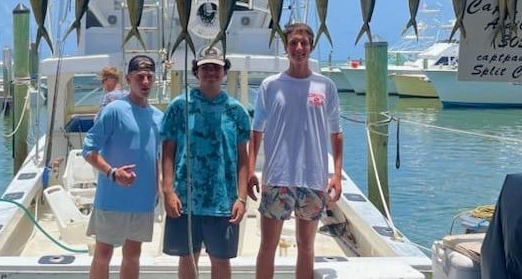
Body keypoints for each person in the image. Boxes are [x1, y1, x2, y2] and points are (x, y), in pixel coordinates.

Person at [248, 23, 344, 279]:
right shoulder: (270, 85)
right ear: (286, 47)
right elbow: (256, 131)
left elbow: (336, 133)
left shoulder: (326, 86)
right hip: (277, 178)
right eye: (293, 43)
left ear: (311, 47)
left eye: (304, 43)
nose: (298, 48)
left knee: (306, 247)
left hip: (313, 179)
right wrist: (249, 170)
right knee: (267, 246)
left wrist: (336, 174)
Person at [161, 46, 250, 279]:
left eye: (216, 68)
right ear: (196, 72)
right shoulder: (179, 107)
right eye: (205, 68)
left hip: (223, 201)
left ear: (224, 72)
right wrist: (168, 190)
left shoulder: (237, 111)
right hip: (185, 199)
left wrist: (241, 198)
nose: (211, 72)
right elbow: (168, 151)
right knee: (188, 257)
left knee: (221, 261)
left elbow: (243, 158)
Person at [83, 55, 163, 279]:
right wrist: (112, 172)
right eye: (140, 77)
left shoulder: (159, 117)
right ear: (128, 78)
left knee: (133, 254)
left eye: (149, 77)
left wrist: (159, 186)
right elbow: (88, 150)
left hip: (143, 201)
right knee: (103, 253)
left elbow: (156, 155)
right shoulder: (114, 110)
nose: (145, 82)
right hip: (111, 198)